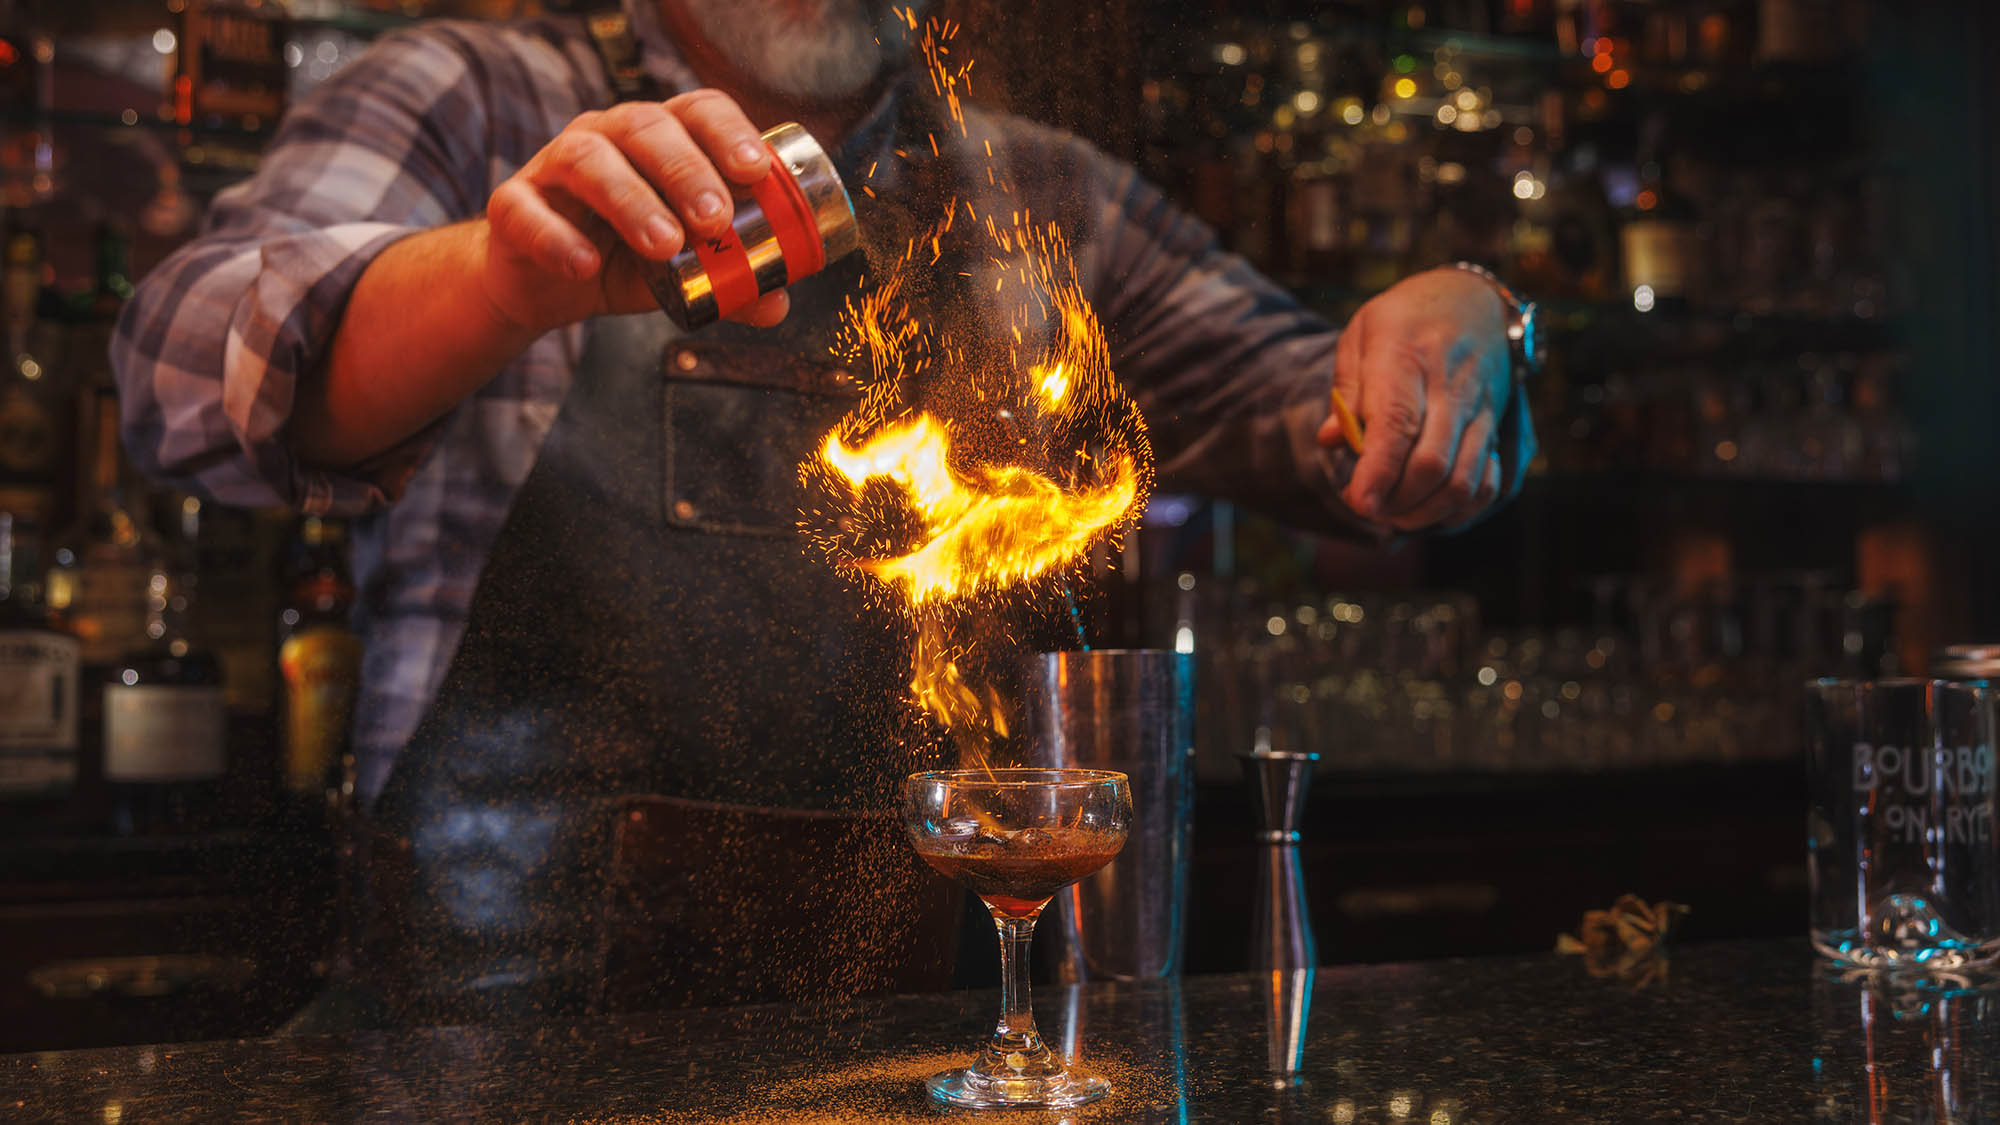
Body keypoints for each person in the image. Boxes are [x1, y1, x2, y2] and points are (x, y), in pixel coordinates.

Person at [112, 0, 1538, 1024]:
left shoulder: (1028, 195)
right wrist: (498, 279)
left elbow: (1327, 414)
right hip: (495, 1031)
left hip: (924, 1027)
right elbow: (179, 376)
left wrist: (1462, 320)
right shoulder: (477, 91)